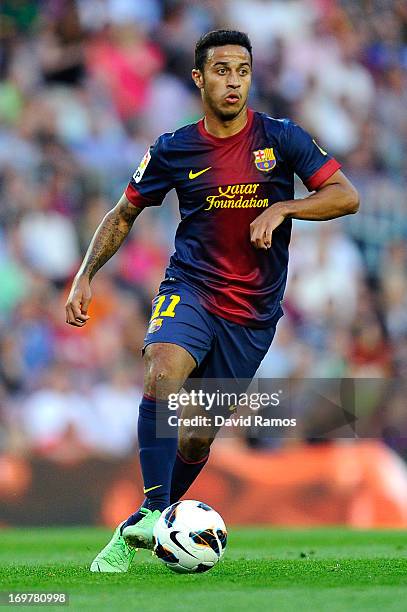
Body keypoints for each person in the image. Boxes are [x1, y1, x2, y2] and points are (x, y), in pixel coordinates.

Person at [65, 30, 359, 572]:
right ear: (199, 78)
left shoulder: (282, 138)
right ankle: (155, 513)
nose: (234, 81)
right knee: (162, 367)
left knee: (198, 436)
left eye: (243, 70)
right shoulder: (174, 148)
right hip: (192, 288)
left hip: (251, 315)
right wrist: (85, 275)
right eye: (222, 70)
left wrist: (285, 209)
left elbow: (346, 195)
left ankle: (139, 524)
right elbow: (123, 212)